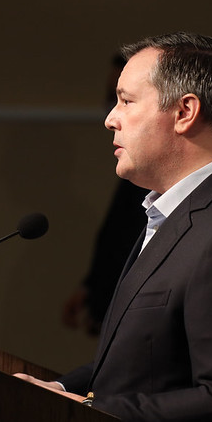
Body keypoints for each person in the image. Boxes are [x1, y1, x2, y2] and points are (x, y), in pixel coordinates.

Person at [16, 32, 212, 422]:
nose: (111, 119)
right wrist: (60, 391)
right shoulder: (179, 208)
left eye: (126, 101)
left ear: (184, 113)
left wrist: (91, 415)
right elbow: (146, 359)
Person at [62, 54, 148, 335]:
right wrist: (93, 288)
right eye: (111, 99)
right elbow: (119, 235)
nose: (110, 118)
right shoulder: (136, 173)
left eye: (124, 101)